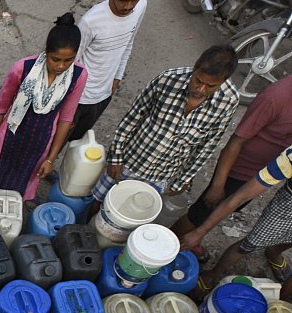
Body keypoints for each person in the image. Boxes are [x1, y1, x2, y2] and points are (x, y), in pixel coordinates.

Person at [91, 45, 240, 205]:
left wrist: (184, 178)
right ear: (195, 67)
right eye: (198, 80)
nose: (201, 89)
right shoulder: (167, 79)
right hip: (131, 160)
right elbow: (132, 118)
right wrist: (116, 158)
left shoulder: (229, 101)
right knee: (98, 201)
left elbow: (207, 145)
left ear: (224, 81)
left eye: (211, 86)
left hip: (161, 175)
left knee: (131, 213)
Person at [173, 74, 292, 259]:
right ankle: (169, 243)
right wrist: (217, 185)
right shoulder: (275, 97)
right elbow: (234, 143)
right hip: (239, 170)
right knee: (200, 214)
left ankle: (191, 239)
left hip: (267, 171)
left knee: (223, 209)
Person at [0, 14, 87, 205]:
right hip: (10, 138)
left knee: (20, 188)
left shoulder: (78, 75)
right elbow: (0, 110)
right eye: (55, 59)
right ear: (46, 51)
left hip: (40, 142)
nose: (61, 66)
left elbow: (65, 119)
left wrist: (50, 159)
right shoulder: (22, 68)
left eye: (68, 60)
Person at [68, 0, 152, 141]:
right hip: (78, 98)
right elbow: (72, 61)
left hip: (103, 96)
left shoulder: (141, 6)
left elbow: (128, 43)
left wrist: (117, 77)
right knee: (54, 143)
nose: (128, 6)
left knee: (75, 143)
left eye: (133, 0)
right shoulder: (91, 21)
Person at [193, 144, 292, 295]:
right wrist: (201, 231)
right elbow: (241, 196)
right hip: (287, 208)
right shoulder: (289, 158)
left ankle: (273, 253)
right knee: (250, 243)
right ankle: (214, 273)